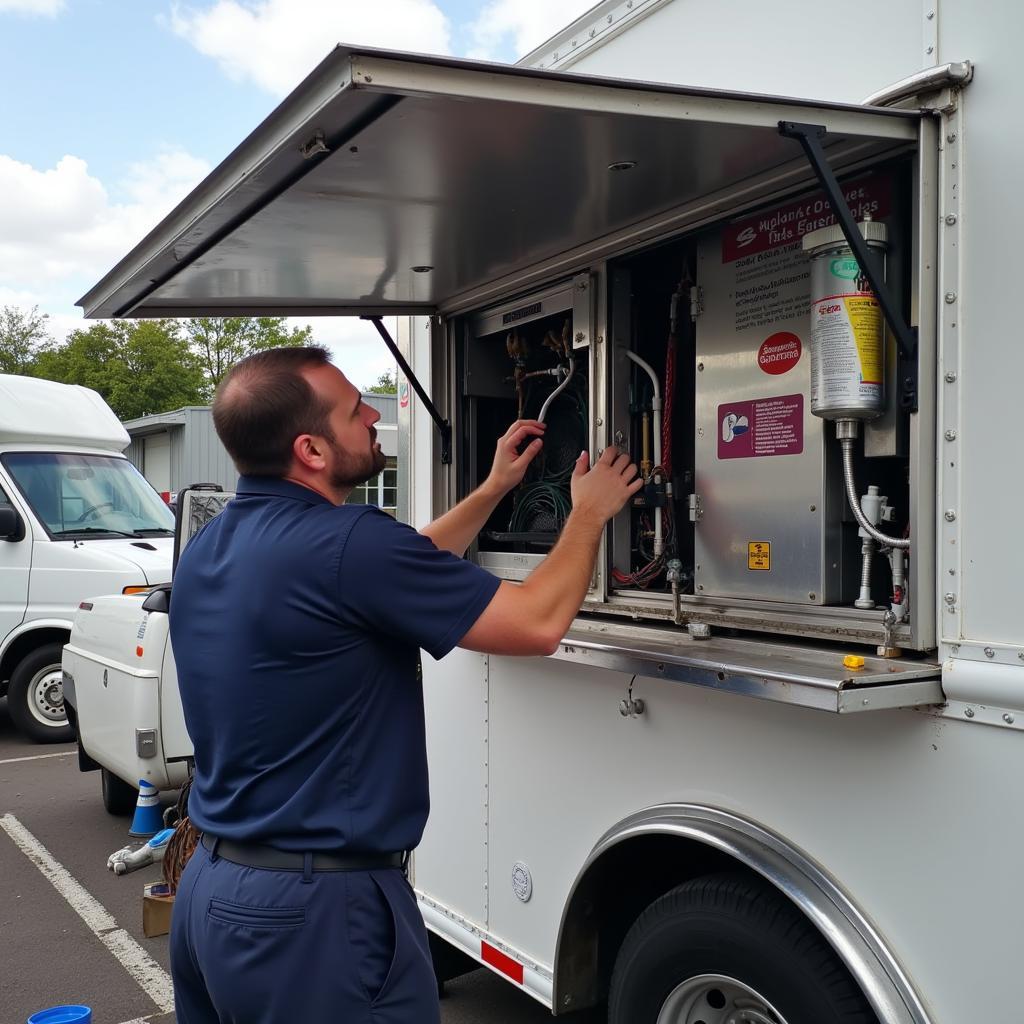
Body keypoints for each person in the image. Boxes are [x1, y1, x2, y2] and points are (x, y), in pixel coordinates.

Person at [168, 345, 642, 1023]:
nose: (374, 421)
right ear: (311, 449)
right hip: (315, 917)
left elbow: (394, 570)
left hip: (214, 896)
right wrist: (589, 513)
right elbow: (536, 623)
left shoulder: (216, 542)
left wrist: (494, 489)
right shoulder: (346, 544)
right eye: (356, 411)